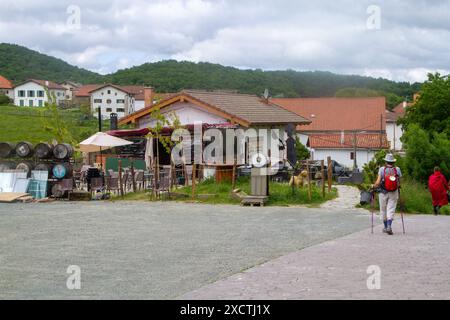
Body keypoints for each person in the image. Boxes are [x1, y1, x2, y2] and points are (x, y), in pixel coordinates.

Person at [372, 154, 402, 235]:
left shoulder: (382, 169)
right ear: (393, 162)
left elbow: (378, 182)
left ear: (386, 161)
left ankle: (385, 227)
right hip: (394, 192)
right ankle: (389, 226)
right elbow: (399, 182)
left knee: (383, 209)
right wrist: (398, 186)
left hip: (383, 192)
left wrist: (373, 186)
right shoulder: (397, 169)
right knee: (391, 209)